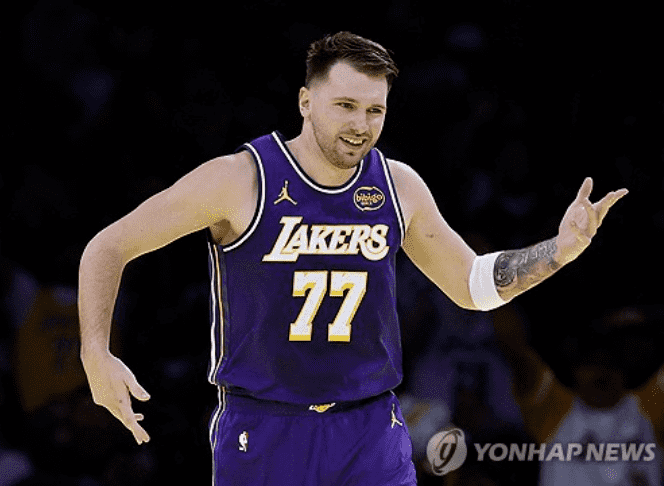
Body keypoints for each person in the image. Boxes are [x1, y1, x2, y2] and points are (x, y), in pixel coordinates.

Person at [78, 31, 628, 485]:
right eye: (345, 106)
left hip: (370, 429)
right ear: (305, 101)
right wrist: (95, 352)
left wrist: (560, 251)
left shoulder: (399, 186)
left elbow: (471, 285)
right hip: (265, 425)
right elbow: (109, 245)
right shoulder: (240, 179)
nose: (361, 125)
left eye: (375, 110)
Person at [493, 304, 664, 485]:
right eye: (592, 363)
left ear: (624, 370)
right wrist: (493, 293)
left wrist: (632, 323)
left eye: (608, 364)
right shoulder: (555, 408)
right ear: (575, 371)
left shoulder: (649, 407)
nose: (601, 371)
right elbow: (515, 348)